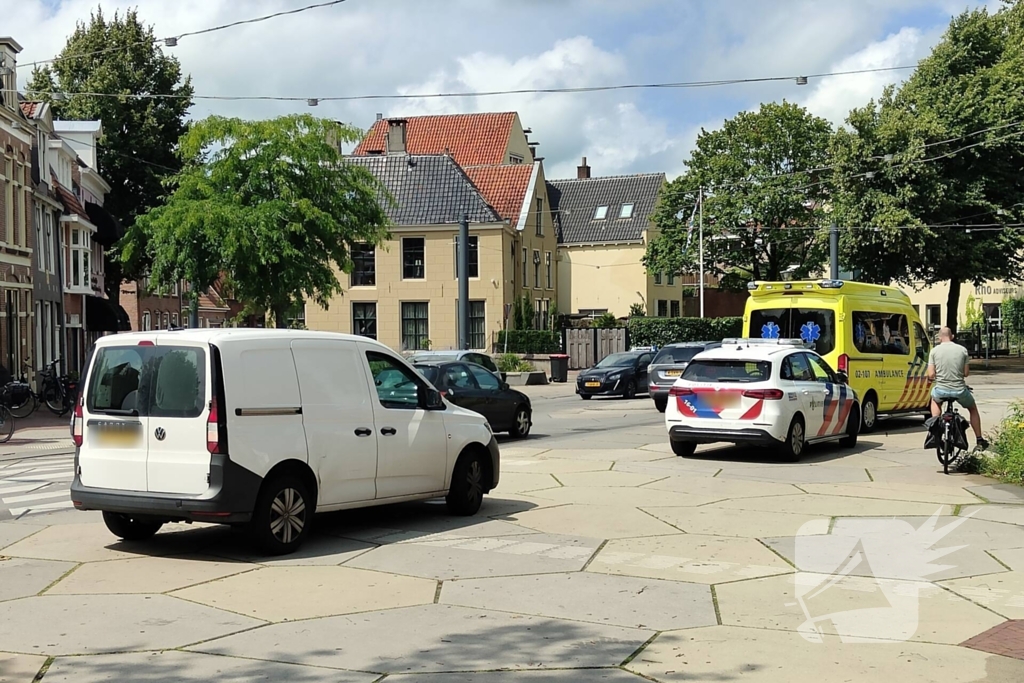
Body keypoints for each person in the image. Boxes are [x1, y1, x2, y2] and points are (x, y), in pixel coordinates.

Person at [927, 326, 987, 450]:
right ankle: (979, 440)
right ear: (952, 336)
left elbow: (931, 374)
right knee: (972, 409)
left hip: (941, 389)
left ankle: (936, 429)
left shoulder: (934, 351)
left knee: (934, 399)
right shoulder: (962, 350)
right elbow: (966, 373)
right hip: (959, 390)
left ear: (939, 337)